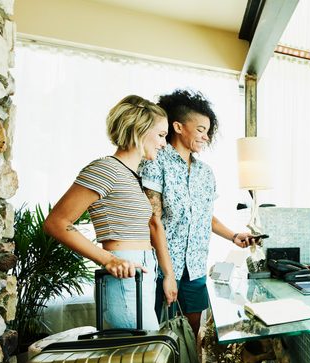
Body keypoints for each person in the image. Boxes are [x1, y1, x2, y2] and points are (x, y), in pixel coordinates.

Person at [44, 95, 172, 329]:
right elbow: (56, 222)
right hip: (125, 277)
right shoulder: (106, 169)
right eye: (161, 135)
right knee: (144, 349)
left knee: (146, 349)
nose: (164, 144)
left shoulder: (131, 175)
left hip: (140, 275)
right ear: (140, 129)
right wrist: (109, 259)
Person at [140, 88, 255, 338]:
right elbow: (152, 221)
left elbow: (204, 217)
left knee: (192, 335)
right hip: (161, 269)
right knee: (160, 337)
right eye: (201, 129)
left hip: (195, 268)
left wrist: (234, 236)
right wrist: (168, 274)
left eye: (208, 131)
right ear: (178, 127)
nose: (206, 136)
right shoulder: (155, 161)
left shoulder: (205, 172)